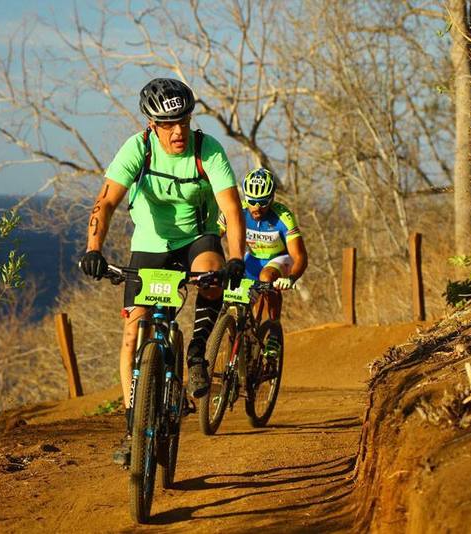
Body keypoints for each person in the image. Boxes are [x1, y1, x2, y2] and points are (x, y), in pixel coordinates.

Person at [79, 78, 246, 466]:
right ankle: (131, 427)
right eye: (168, 125)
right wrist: (94, 249)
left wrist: (236, 257)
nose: (178, 131)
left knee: (211, 273)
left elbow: (233, 212)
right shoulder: (137, 149)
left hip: (197, 238)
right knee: (133, 330)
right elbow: (104, 203)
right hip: (151, 245)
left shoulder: (208, 151)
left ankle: (197, 354)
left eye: (184, 122)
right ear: (152, 124)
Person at [219, 167, 308, 341]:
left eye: (263, 202)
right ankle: (241, 340)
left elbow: (300, 257)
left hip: (279, 259)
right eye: (252, 201)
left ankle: (274, 329)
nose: (257, 208)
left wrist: (291, 278)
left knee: (266, 277)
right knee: (231, 296)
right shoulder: (238, 211)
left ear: (272, 198)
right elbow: (214, 237)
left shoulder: (283, 216)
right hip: (252, 259)